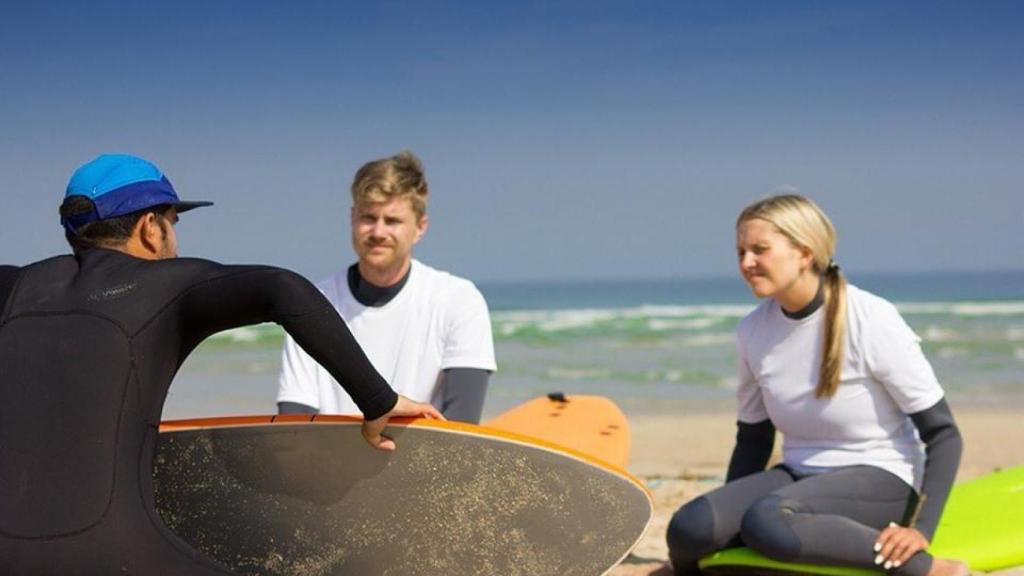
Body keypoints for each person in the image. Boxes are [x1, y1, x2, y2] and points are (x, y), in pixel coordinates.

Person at [0, 154, 441, 575]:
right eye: (173, 222)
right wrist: (377, 400)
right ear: (150, 227)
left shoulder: (16, 285)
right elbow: (284, 289)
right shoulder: (165, 285)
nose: (174, 237)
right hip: (117, 558)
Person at [665, 195, 966, 576]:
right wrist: (726, 523)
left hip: (883, 476)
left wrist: (921, 530)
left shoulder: (871, 318)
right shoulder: (754, 330)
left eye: (760, 250)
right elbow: (754, 438)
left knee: (768, 521)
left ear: (804, 253)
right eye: (740, 251)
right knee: (689, 528)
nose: (746, 263)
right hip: (799, 474)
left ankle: (932, 569)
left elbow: (943, 434)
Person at [276, 151, 496, 423]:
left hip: (424, 461)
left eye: (392, 221)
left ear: (420, 227)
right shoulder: (309, 304)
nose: (378, 232)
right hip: (330, 460)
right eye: (368, 217)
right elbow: (295, 424)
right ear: (352, 218)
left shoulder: (459, 300)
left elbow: (462, 425)